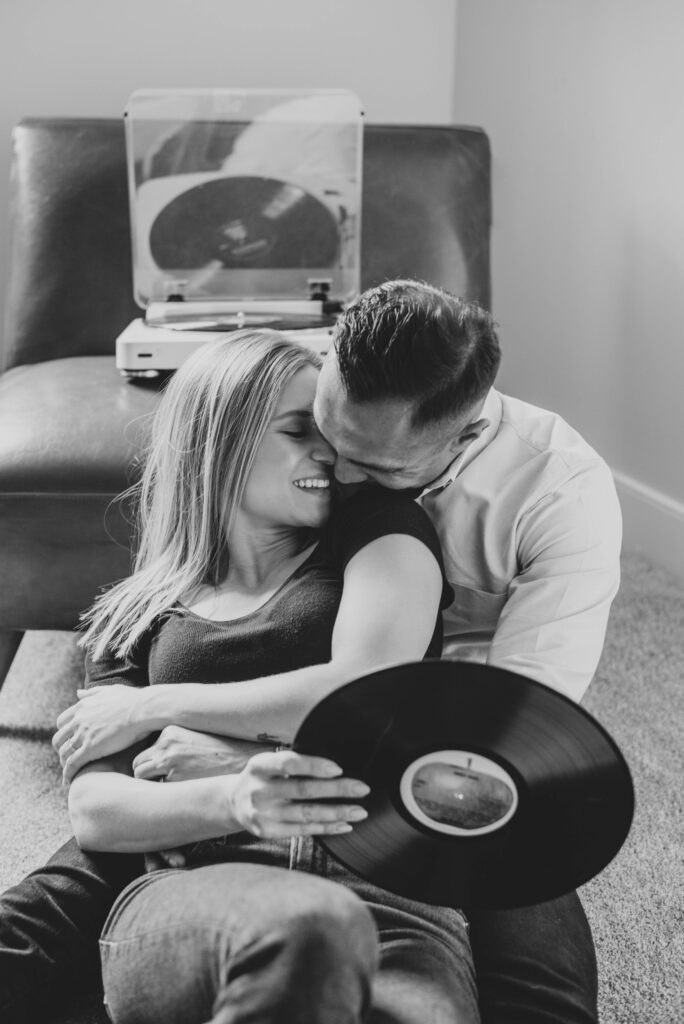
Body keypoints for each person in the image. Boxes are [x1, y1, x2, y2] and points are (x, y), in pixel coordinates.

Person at [55, 280, 621, 1024]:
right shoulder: (330, 398)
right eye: (323, 432)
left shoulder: (561, 499)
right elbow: (101, 798)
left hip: (450, 738)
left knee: (524, 857)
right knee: (67, 897)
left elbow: (495, 745)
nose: (341, 477)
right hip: (250, 823)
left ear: (463, 435)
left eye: (378, 468)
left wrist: (209, 740)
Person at [1, 329, 478, 1024]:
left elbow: (368, 697)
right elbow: (96, 811)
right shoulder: (137, 612)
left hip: (394, 895)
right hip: (199, 890)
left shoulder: (380, 530)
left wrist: (157, 707)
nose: (334, 456)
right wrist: (236, 799)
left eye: (333, 434)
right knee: (310, 929)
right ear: (221, 437)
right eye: (300, 431)